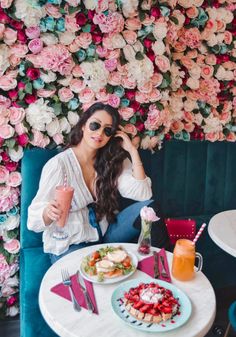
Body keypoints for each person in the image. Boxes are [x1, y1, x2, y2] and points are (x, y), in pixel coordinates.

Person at [27, 102, 169, 264]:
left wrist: (132, 151)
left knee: (149, 208)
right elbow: (33, 221)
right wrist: (47, 212)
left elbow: (143, 194)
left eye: (107, 130)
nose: (100, 133)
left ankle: (162, 266)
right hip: (72, 243)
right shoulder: (59, 165)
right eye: (95, 125)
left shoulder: (111, 160)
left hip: (105, 235)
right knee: (91, 274)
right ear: (83, 125)